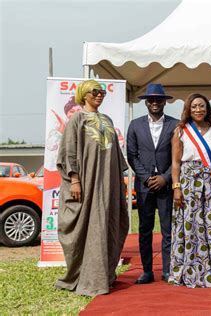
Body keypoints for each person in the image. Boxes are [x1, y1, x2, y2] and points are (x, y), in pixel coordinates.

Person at [55, 79, 129, 296]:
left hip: (108, 184)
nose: (99, 95)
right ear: (84, 94)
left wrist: (118, 184)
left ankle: (103, 274)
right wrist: (75, 179)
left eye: (102, 92)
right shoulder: (77, 119)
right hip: (87, 183)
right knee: (88, 226)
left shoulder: (107, 119)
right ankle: (85, 276)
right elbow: (69, 151)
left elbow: (116, 155)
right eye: (95, 91)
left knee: (108, 225)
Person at [168, 93, 211, 288]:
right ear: (189, 109)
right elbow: (175, 162)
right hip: (188, 183)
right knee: (189, 226)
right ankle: (189, 271)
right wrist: (176, 186)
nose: (198, 109)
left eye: (202, 106)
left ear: (207, 109)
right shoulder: (181, 131)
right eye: (195, 106)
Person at [127, 83, 178, 284]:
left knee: (168, 230)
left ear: (165, 101)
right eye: (151, 99)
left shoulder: (175, 125)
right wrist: (147, 178)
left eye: (159, 99)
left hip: (166, 186)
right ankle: (147, 271)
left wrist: (165, 177)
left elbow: (178, 156)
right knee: (145, 230)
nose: (155, 102)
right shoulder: (135, 125)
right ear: (146, 102)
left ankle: (167, 270)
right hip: (144, 186)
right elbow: (132, 156)